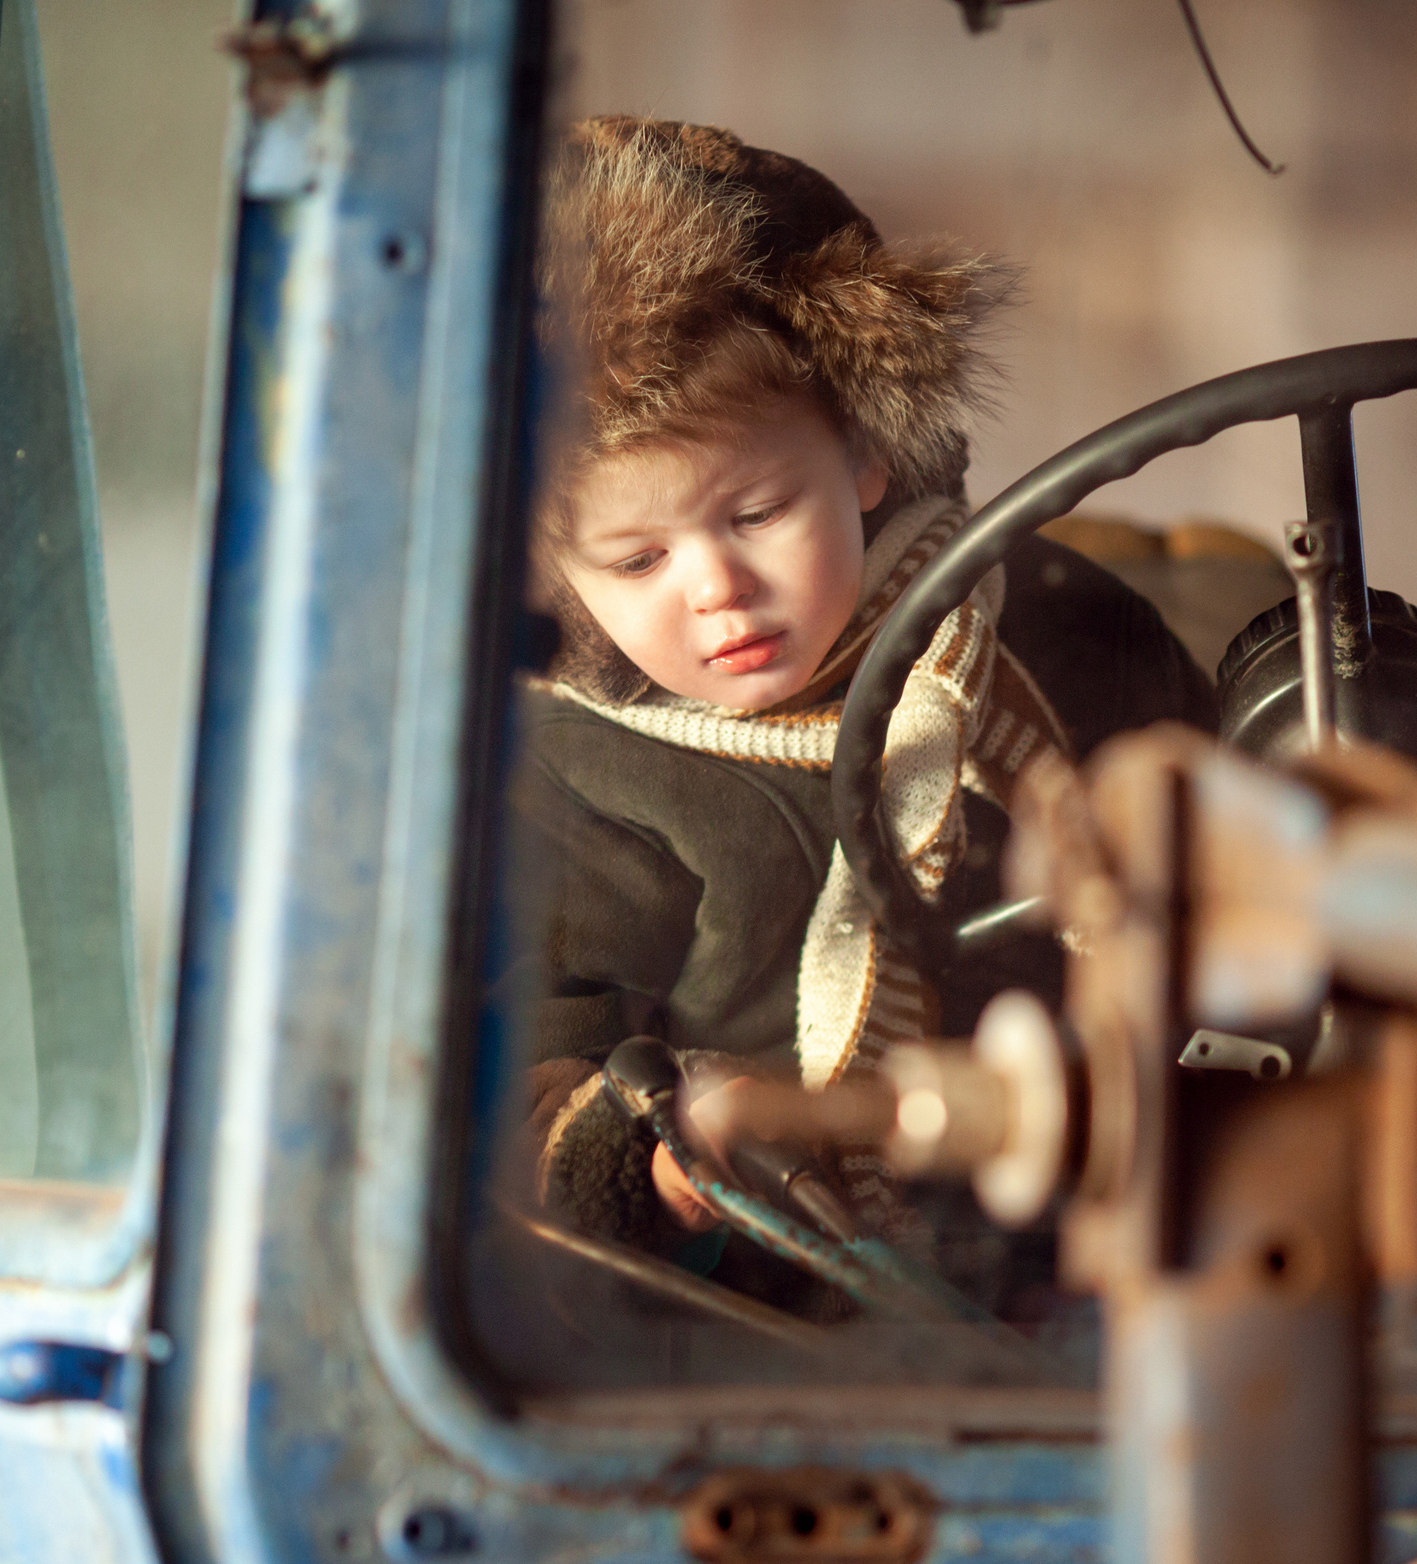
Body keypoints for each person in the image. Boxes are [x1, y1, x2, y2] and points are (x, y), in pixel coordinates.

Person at [517, 117, 1211, 1293]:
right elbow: (516, 1070)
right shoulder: (567, 779)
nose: (717, 588)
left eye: (756, 514)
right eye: (637, 564)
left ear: (865, 456)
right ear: (560, 577)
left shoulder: (1059, 634)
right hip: (772, 1306)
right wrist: (651, 1155)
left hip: (1110, 1238)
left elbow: (1237, 855)